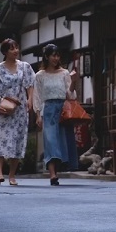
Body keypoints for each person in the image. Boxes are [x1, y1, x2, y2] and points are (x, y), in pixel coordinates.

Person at [0, 38, 35, 186]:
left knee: (17, 140)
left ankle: (12, 175)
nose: (15, 51)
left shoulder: (25, 67)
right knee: (0, 139)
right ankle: (0, 173)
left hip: (20, 108)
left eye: (16, 48)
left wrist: (30, 100)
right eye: (11, 48)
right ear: (5, 52)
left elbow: (30, 84)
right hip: (4, 107)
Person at [33, 43, 75, 185]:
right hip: (48, 109)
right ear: (46, 57)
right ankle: (52, 174)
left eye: (58, 55)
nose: (56, 58)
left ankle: (59, 169)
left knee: (61, 141)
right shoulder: (40, 75)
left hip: (62, 108)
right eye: (53, 55)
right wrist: (38, 114)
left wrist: (74, 82)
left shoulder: (64, 73)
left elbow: (71, 95)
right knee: (50, 141)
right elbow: (37, 95)